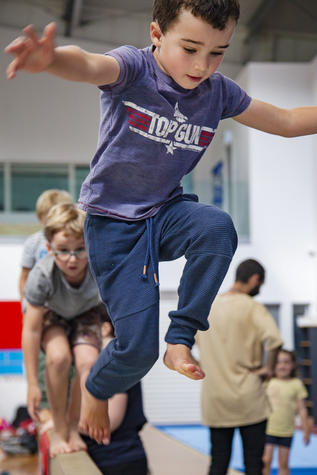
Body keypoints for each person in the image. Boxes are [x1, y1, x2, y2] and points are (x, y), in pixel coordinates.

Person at [5, 0, 317, 444]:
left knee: (217, 227)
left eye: (217, 52)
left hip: (165, 212)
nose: (202, 65)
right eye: (190, 49)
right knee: (136, 351)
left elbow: (284, 120)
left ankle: (181, 340)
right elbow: (91, 65)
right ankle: (96, 386)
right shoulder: (134, 69)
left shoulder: (218, 92)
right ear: (157, 34)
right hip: (112, 225)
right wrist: (53, 59)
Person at [22, 202, 104, 457]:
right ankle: (59, 428)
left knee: (87, 362)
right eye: (63, 251)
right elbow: (31, 331)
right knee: (58, 358)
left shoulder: (99, 268)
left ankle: (73, 426)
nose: (72, 258)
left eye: (80, 250)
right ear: (49, 249)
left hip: (87, 313)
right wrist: (33, 384)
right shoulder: (42, 275)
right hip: (52, 314)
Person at [196, 259, 283, 474]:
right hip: (249, 396)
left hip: (215, 396)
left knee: (218, 461)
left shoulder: (207, 306)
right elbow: (274, 341)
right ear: (255, 279)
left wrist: (203, 365)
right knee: (254, 462)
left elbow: (184, 342)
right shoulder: (252, 307)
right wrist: (269, 370)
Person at [83, 314, 148, 475]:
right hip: (117, 457)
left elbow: (110, 421)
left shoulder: (113, 362)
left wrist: (64, 425)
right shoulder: (109, 359)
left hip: (120, 459)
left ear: (105, 329)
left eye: (84, 332)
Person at [19, 188, 73, 304]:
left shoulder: (75, 240)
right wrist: (25, 303)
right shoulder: (34, 242)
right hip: (43, 301)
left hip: (70, 299)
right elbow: (24, 276)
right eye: (50, 219)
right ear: (40, 218)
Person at [263, 349, 310, 475]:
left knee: (283, 463)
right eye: (278, 362)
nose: (282, 365)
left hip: (286, 431)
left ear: (293, 364)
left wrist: (306, 429)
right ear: (273, 365)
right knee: (266, 461)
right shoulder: (268, 382)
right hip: (268, 429)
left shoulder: (296, 384)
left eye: (286, 362)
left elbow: (302, 408)